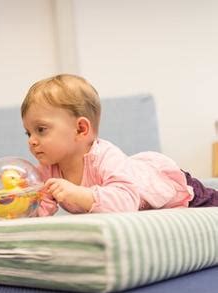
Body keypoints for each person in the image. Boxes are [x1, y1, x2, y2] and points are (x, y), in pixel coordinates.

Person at [21, 74, 218, 216]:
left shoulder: (104, 157)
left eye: (41, 129)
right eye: (28, 133)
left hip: (173, 189)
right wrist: (22, 203)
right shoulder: (47, 170)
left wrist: (79, 194)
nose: (31, 140)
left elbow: (126, 202)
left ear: (80, 129)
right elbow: (42, 210)